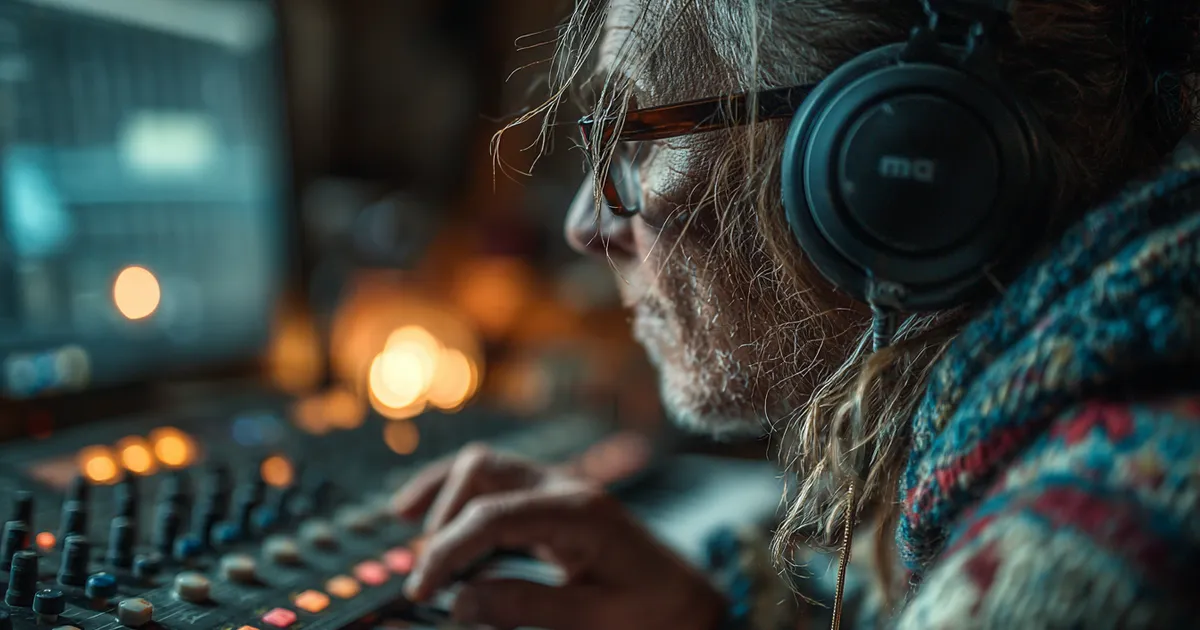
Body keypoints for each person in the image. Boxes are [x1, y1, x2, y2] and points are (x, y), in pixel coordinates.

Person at [391, 0, 1200, 628]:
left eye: (635, 135)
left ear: (893, 162)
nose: (585, 225)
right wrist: (717, 618)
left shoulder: (1094, 546)